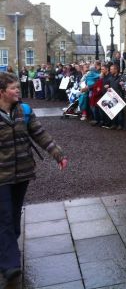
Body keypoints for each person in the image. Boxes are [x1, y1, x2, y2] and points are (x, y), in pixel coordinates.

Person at [0, 72, 67, 285]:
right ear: (2, 92)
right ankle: (10, 264)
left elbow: (40, 133)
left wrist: (58, 154)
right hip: (1, 176)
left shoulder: (24, 111)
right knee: (5, 217)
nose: (18, 91)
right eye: (13, 88)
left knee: (13, 217)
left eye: (18, 88)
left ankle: (6, 247)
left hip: (22, 173)